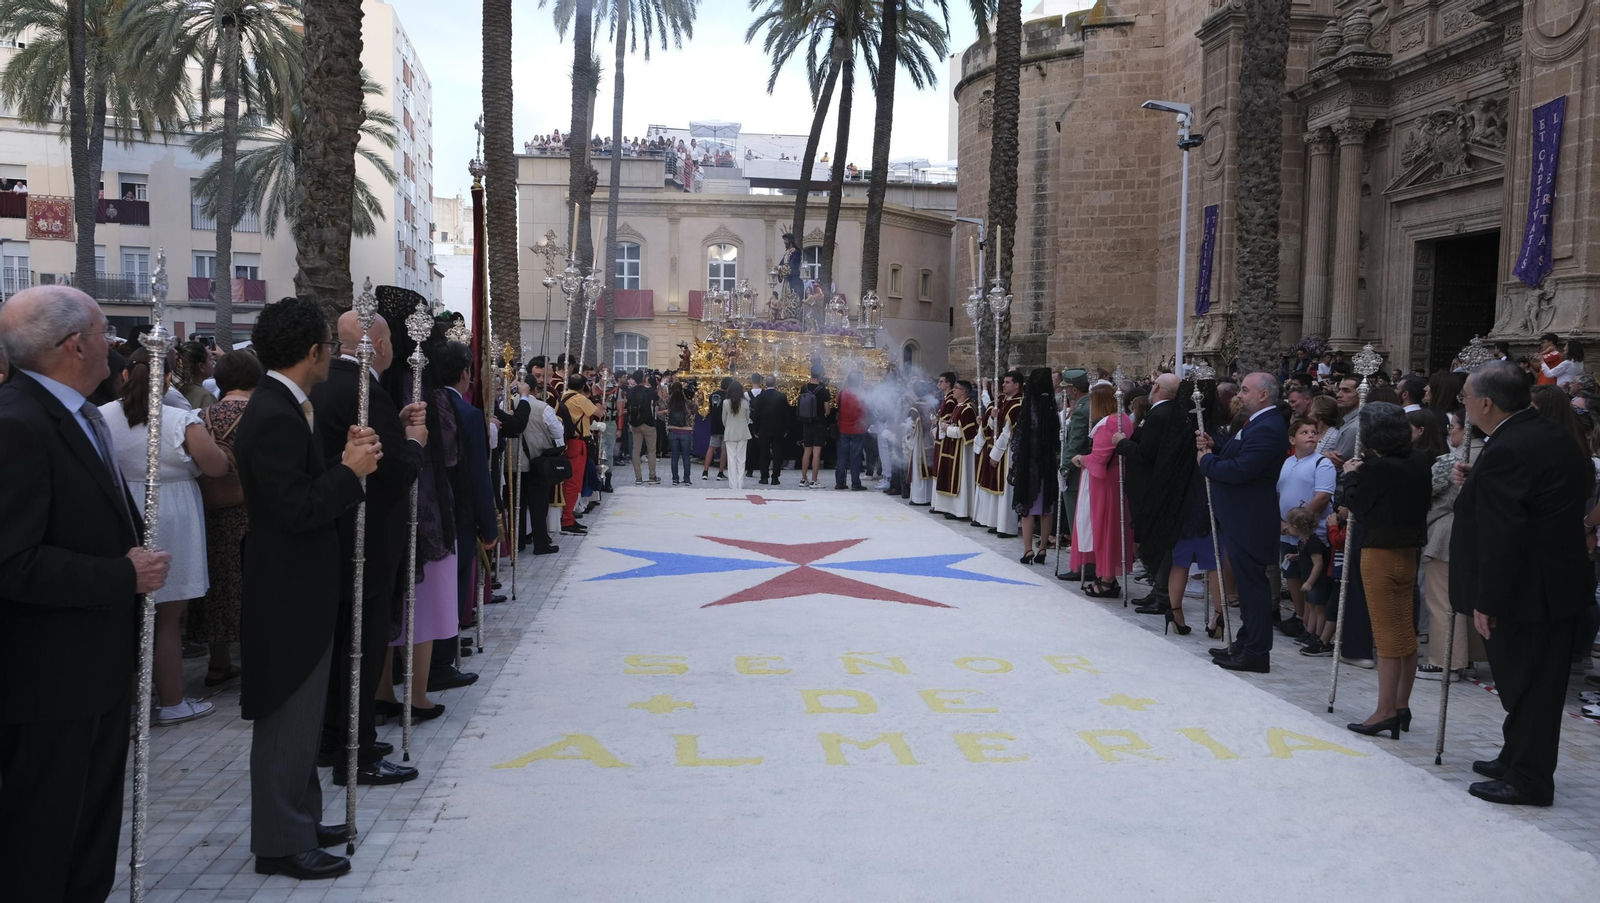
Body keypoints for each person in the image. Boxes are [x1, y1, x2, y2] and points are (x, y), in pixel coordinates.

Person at [0, 286, 171, 902]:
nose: (117, 347)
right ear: (75, 345)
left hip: (92, 670)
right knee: (44, 840)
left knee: (89, 835)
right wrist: (121, 577)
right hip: (49, 683)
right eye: (105, 332)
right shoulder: (17, 423)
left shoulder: (78, 412)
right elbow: (11, 563)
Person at [235, 297, 377, 880]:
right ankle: (280, 841)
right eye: (329, 345)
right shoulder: (272, 413)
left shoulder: (291, 405)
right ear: (313, 352)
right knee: (286, 716)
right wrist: (350, 472)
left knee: (304, 713)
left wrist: (343, 461)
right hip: (286, 590)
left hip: (304, 587)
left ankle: (299, 818)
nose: (333, 356)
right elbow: (295, 509)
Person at [1453, 361, 1594, 805]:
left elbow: (1504, 531)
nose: (1464, 404)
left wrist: (1487, 598)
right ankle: (1516, 755)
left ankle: (1529, 778)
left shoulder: (1511, 448)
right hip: (1552, 582)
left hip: (1527, 589)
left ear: (1487, 403)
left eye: (1466, 397)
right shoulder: (1546, 434)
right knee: (1531, 679)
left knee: (1531, 684)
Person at [307, 306, 427, 786]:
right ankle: (354, 752)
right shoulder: (363, 391)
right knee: (362, 645)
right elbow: (394, 470)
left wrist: (395, 424)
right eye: (391, 341)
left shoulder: (325, 384)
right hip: (366, 541)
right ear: (377, 344)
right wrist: (415, 441)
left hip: (330, 536)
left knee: (341, 645)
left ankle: (333, 737)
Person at [99, 346, 230, 725]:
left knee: (126, 610)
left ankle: (124, 704)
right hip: (173, 511)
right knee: (168, 615)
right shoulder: (180, 420)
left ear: (125, 376)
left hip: (123, 507)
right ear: (170, 378)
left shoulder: (102, 416)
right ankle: (171, 700)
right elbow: (216, 466)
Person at [1339, 402, 1432, 738]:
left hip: (1380, 552)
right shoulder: (1420, 460)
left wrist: (1350, 476)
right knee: (1405, 634)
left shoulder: (1379, 469)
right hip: (1409, 551)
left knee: (1388, 638)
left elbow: (1358, 506)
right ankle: (1401, 705)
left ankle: (1385, 710)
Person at [1197, 372, 1288, 672]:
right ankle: (1247, 641)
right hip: (1241, 517)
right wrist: (1217, 444)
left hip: (1251, 519)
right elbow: (1239, 452)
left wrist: (1207, 462)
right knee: (1248, 587)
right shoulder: (1257, 423)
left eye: (1245, 390)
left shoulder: (1268, 427)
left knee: (1253, 588)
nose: (1240, 395)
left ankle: (1257, 652)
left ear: (1263, 395)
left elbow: (1241, 469)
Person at [195, 350, 261, 685]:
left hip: (211, 510)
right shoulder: (261, 413)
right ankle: (256, 659)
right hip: (253, 511)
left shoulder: (201, 415)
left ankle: (218, 663)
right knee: (253, 583)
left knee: (218, 583)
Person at [1114, 373, 1195, 614]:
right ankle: (1158, 589)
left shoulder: (1160, 414)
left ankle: (1162, 594)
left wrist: (1121, 443)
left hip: (1150, 487)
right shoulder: (1167, 412)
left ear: (1157, 387)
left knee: (1154, 542)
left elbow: (1147, 452)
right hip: (1153, 486)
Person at [441, 341, 497, 687]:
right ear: (465, 374)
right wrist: (489, 526)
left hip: (430, 512)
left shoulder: (420, 405)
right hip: (458, 513)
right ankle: (441, 658)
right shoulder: (468, 414)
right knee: (454, 583)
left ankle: (441, 644)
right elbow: (479, 474)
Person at [1417, 409, 1483, 681]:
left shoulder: (1453, 460)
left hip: (1447, 531)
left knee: (1442, 599)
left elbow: (1426, 491)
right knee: (1467, 596)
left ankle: (1445, 661)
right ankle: (1465, 657)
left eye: (1453, 427)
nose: (1449, 433)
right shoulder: (1491, 454)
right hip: (1479, 533)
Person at [1069, 383, 1133, 597]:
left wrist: (1080, 459)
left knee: (1104, 525)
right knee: (1110, 525)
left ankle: (1107, 578)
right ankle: (1106, 575)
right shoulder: (1123, 418)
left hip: (1105, 481)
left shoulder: (1109, 422)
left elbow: (1100, 458)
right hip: (1117, 477)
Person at [1276, 417, 1336, 640]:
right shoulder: (1288, 462)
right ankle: (1300, 616)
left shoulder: (1322, 463)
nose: (1311, 435)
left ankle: (1313, 627)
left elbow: (1322, 497)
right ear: (1292, 439)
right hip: (1287, 529)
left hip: (1311, 533)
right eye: (1304, 432)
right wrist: (1282, 522)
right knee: (1291, 573)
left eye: (1313, 432)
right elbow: (1279, 493)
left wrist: (1298, 524)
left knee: (1310, 576)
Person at [1010, 368, 1059, 563]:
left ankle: (1028, 549)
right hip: (1047, 463)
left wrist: (1015, 458)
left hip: (1029, 461)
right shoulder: (1051, 406)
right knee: (1047, 507)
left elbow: (1021, 435)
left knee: (1028, 506)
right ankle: (1044, 548)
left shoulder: (1029, 406)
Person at [977, 371, 1023, 537]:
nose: (1003, 385)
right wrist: (992, 417)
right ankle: (996, 522)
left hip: (1007, 451)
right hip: (996, 447)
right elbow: (992, 426)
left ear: (1017, 385)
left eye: (1007, 382)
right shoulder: (1003, 401)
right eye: (1004, 382)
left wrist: (995, 455)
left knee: (1006, 489)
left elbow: (1007, 433)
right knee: (995, 486)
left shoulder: (1018, 404)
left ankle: (1007, 526)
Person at [1057, 369, 1092, 580]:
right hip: (1084, 469)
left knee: (1077, 519)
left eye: (1067, 387)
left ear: (1074, 389)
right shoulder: (1087, 404)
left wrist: (1064, 467)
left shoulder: (1081, 409)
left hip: (1076, 470)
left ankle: (1081, 566)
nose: (1066, 391)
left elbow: (1075, 442)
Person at [935, 379, 980, 520]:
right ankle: (953, 508)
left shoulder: (968, 408)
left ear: (964, 391)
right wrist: (947, 426)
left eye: (956, 388)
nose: (953, 390)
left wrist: (948, 429)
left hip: (962, 450)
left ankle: (962, 510)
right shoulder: (958, 406)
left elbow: (966, 432)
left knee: (961, 478)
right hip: (952, 446)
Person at [751, 373, 792, 485]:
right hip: (778, 430)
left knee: (764, 453)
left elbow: (756, 415)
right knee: (777, 453)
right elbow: (786, 415)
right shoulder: (781, 397)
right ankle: (775, 478)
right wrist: (785, 429)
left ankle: (764, 477)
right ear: (775, 383)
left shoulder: (761, 397)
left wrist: (755, 430)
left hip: (763, 429)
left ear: (765, 383)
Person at [930, 372, 959, 516]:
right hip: (942, 437)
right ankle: (938, 503)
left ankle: (942, 504)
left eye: (941, 382)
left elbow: (948, 421)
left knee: (942, 468)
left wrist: (937, 423)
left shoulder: (950, 400)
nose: (938, 384)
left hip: (946, 438)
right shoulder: (946, 398)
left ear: (948, 383)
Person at [835, 370, 869, 491]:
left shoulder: (842, 393)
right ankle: (855, 483)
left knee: (842, 457)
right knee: (855, 458)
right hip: (857, 430)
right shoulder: (862, 394)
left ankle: (840, 482)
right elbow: (865, 412)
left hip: (843, 428)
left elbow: (837, 407)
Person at [906, 382, 938, 506]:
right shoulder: (932, 405)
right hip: (930, 440)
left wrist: (906, 438)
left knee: (918, 468)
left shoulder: (914, 406)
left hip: (919, 441)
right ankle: (929, 497)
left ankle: (919, 498)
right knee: (928, 466)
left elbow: (911, 426)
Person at [626, 368, 659, 484]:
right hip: (648, 423)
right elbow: (658, 398)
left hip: (635, 424)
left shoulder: (630, 391)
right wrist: (651, 384)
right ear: (644, 378)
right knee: (651, 450)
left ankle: (638, 477)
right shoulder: (647, 391)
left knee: (636, 450)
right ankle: (652, 476)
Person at [798, 368, 830, 488]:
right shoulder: (823, 391)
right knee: (816, 452)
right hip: (819, 423)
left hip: (806, 422)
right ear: (820, 375)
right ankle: (814, 480)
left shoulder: (804, 388)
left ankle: (803, 479)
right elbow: (827, 410)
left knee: (806, 451)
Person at [722, 380, 752, 490]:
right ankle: (740, 484)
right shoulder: (745, 402)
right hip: (743, 432)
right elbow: (747, 418)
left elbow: (724, 420)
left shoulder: (725, 403)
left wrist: (729, 426)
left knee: (731, 459)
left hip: (730, 433)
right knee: (741, 459)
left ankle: (733, 484)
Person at [665, 381, 694, 485]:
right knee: (686, 457)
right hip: (686, 431)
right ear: (682, 390)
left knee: (674, 457)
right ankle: (686, 479)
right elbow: (695, 409)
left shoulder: (668, 401)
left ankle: (675, 479)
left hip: (673, 430)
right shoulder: (687, 402)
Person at [703, 377, 728, 481]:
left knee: (711, 447)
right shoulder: (728, 396)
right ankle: (720, 473)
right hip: (725, 425)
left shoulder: (713, 395)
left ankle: (705, 471)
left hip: (714, 423)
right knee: (724, 449)